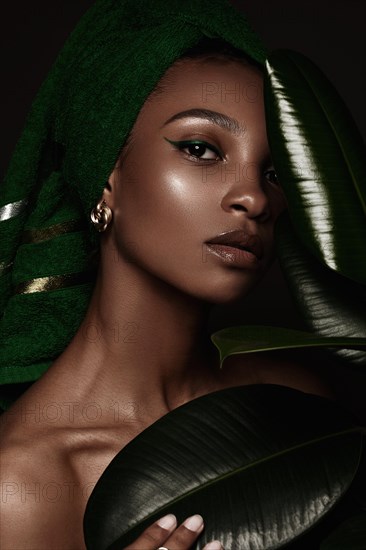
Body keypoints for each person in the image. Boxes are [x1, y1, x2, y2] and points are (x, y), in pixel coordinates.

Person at [0, 0, 334, 548]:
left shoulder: (297, 405)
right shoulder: (26, 484)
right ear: (105, 177)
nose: (254, 197)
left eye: (274, 171)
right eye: (201, 148)